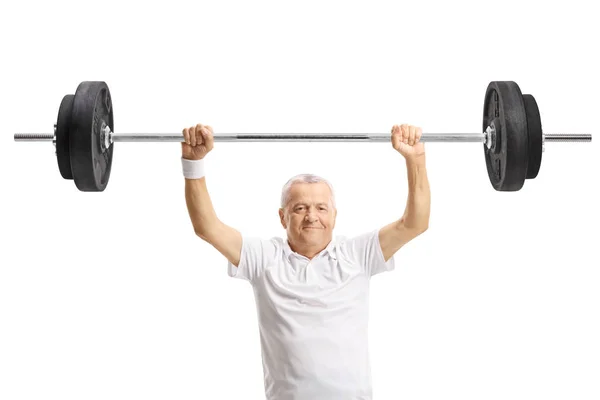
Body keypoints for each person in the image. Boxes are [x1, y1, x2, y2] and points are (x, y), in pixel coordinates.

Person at [181, 123, 430, 400]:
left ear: (334, 215)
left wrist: (415, 158)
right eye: (300, 208)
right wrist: (194, 162)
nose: (312, 216)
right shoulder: (263, 258)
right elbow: (207, 227)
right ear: (282, 217)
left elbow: (414, 224)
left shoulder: (358, 254)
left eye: (321, 208)